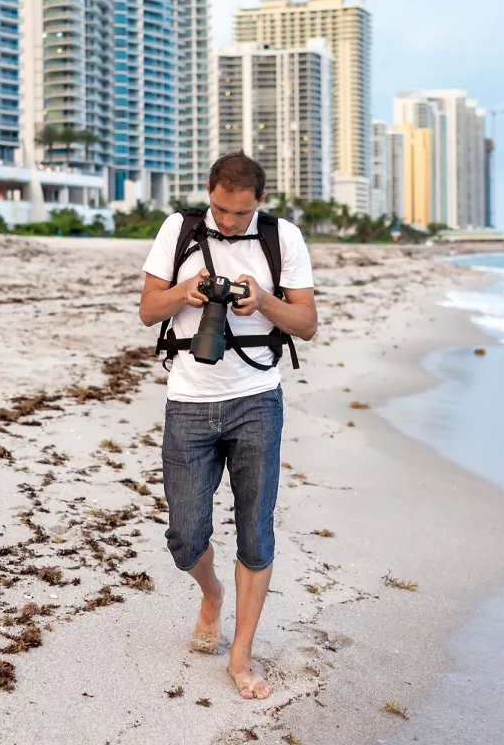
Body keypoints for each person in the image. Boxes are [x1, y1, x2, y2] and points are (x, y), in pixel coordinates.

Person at [139, 151, 317, 700]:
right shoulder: (180, 228)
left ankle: (241, 654)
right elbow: (148, 310)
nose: (226, 222)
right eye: (219, 209)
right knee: (185, 536)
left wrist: (263, 301)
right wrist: (183, 292)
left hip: (256, 399)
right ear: (210, 192)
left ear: (258, 203)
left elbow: (306, 324)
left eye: (238, 214)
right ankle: (210, 591)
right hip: (189, 400)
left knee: (255, 529)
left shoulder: (282, 238)